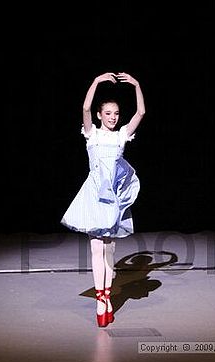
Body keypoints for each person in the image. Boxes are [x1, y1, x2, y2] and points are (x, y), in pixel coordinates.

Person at [61, 72, 146, 327]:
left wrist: (137, 85)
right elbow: (85, 106)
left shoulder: (120, 136)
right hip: (94, 196)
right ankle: (100, 299)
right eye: (108, 113)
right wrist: (96, 81)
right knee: (96, 248)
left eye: (116, 114)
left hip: (113, 198)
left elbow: (140, 113)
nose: (112, 117)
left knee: (109, 250)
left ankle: (107, 295)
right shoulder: (93, 135)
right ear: (100, 115)